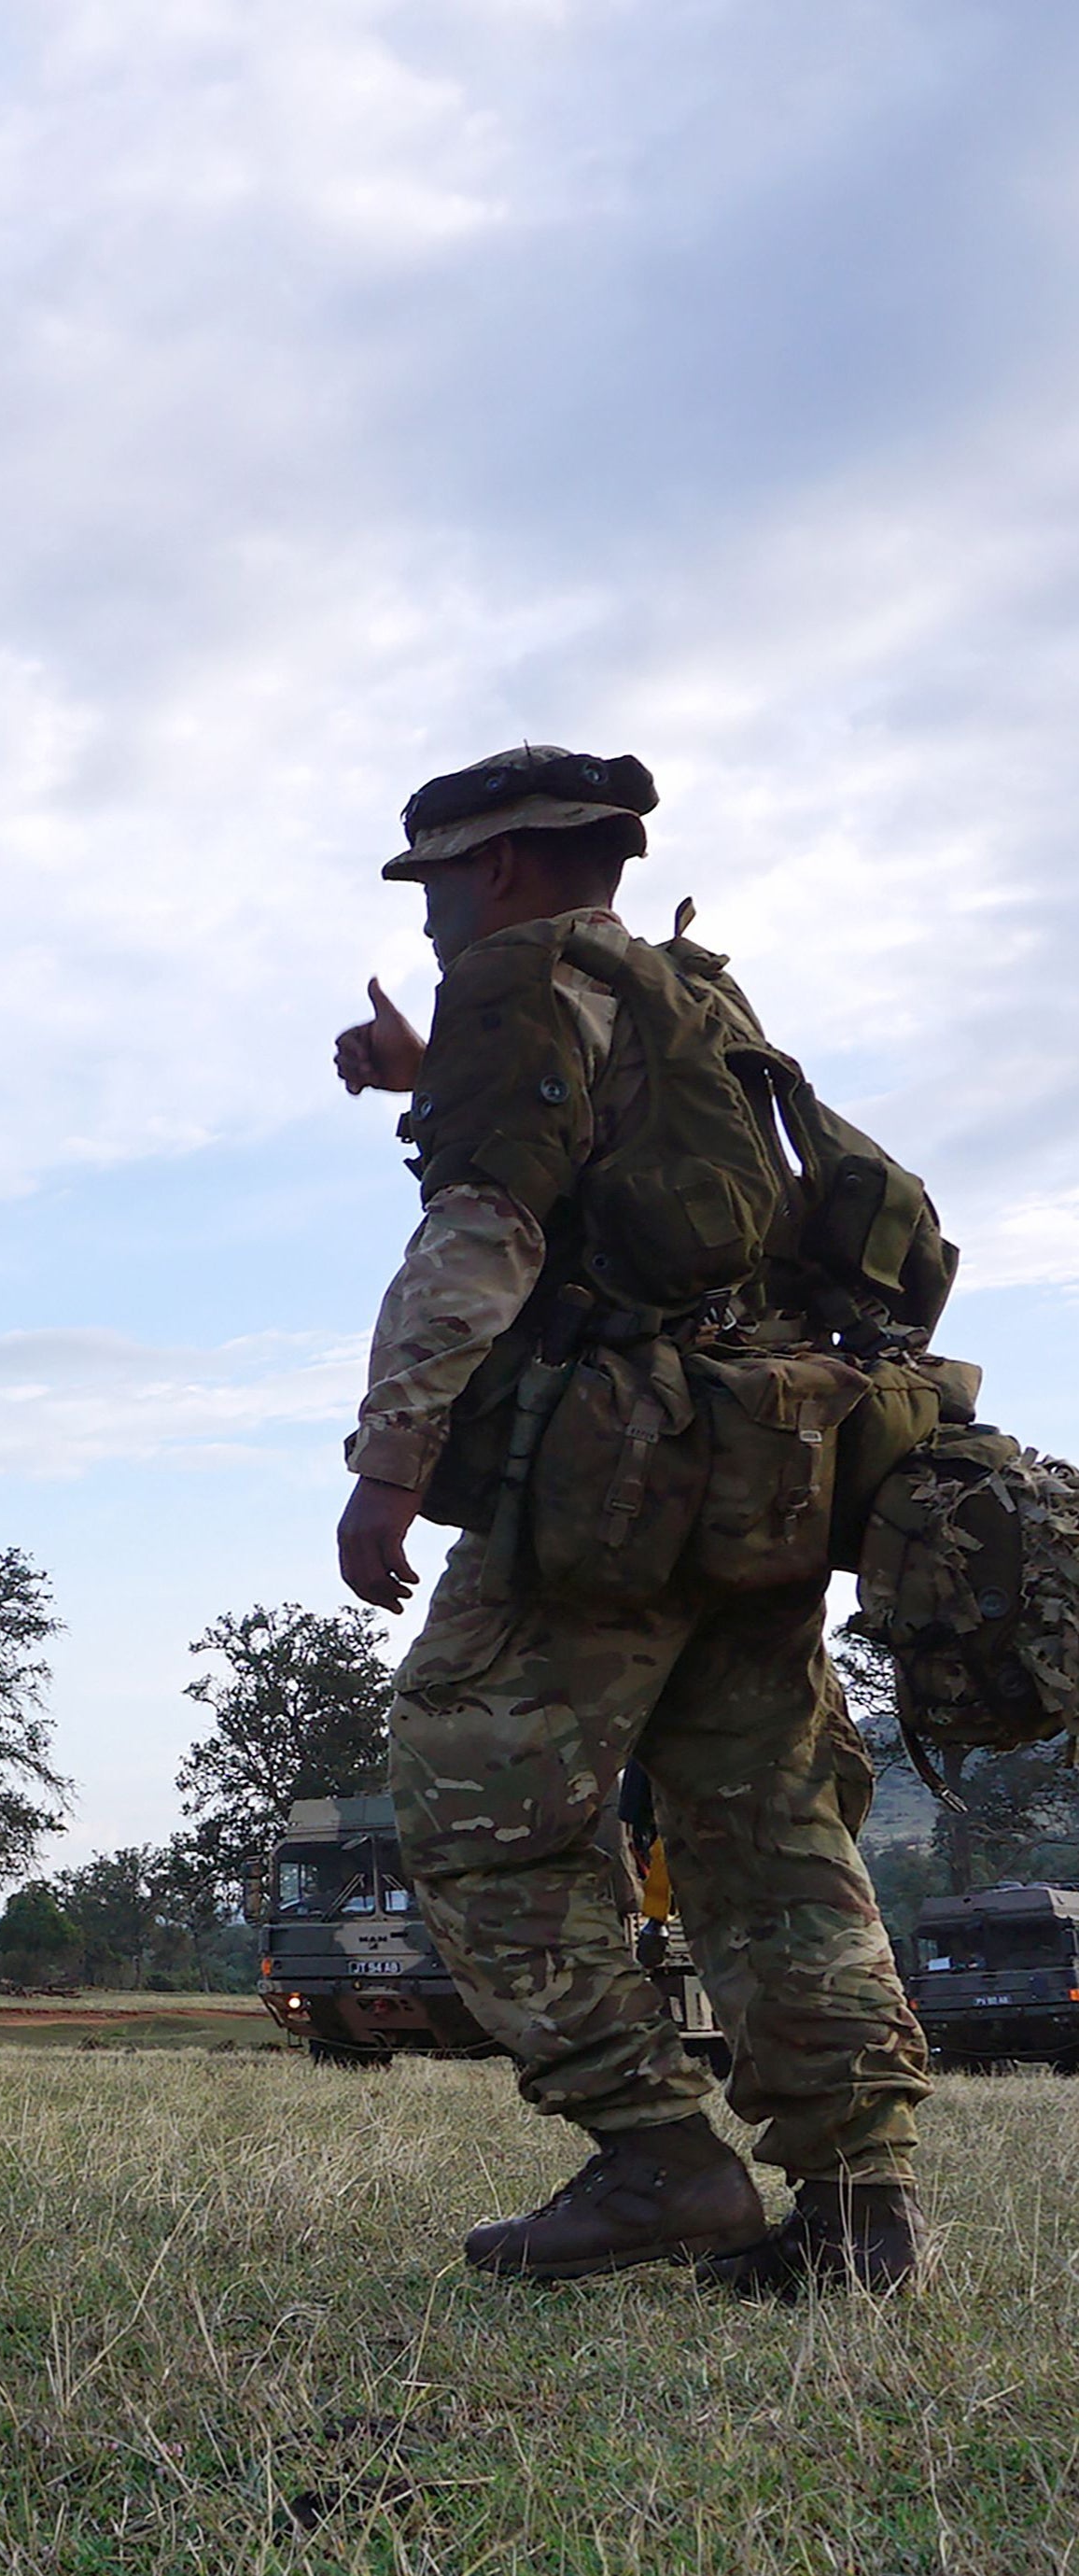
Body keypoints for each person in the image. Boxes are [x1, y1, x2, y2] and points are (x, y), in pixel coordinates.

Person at [333, 744, 930, 2298]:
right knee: (771, 1827)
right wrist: (426, 1076)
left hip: (614, 1487)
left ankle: (657, 2151)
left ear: (509, 866)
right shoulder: (685, 987)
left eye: (441, 882)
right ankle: (860, 2211)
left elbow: (487, 1227)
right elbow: (683, 1196)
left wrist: (388, 1455)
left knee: (471, 1787)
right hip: (768, 1460)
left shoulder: (516, 975)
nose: (435, 919)